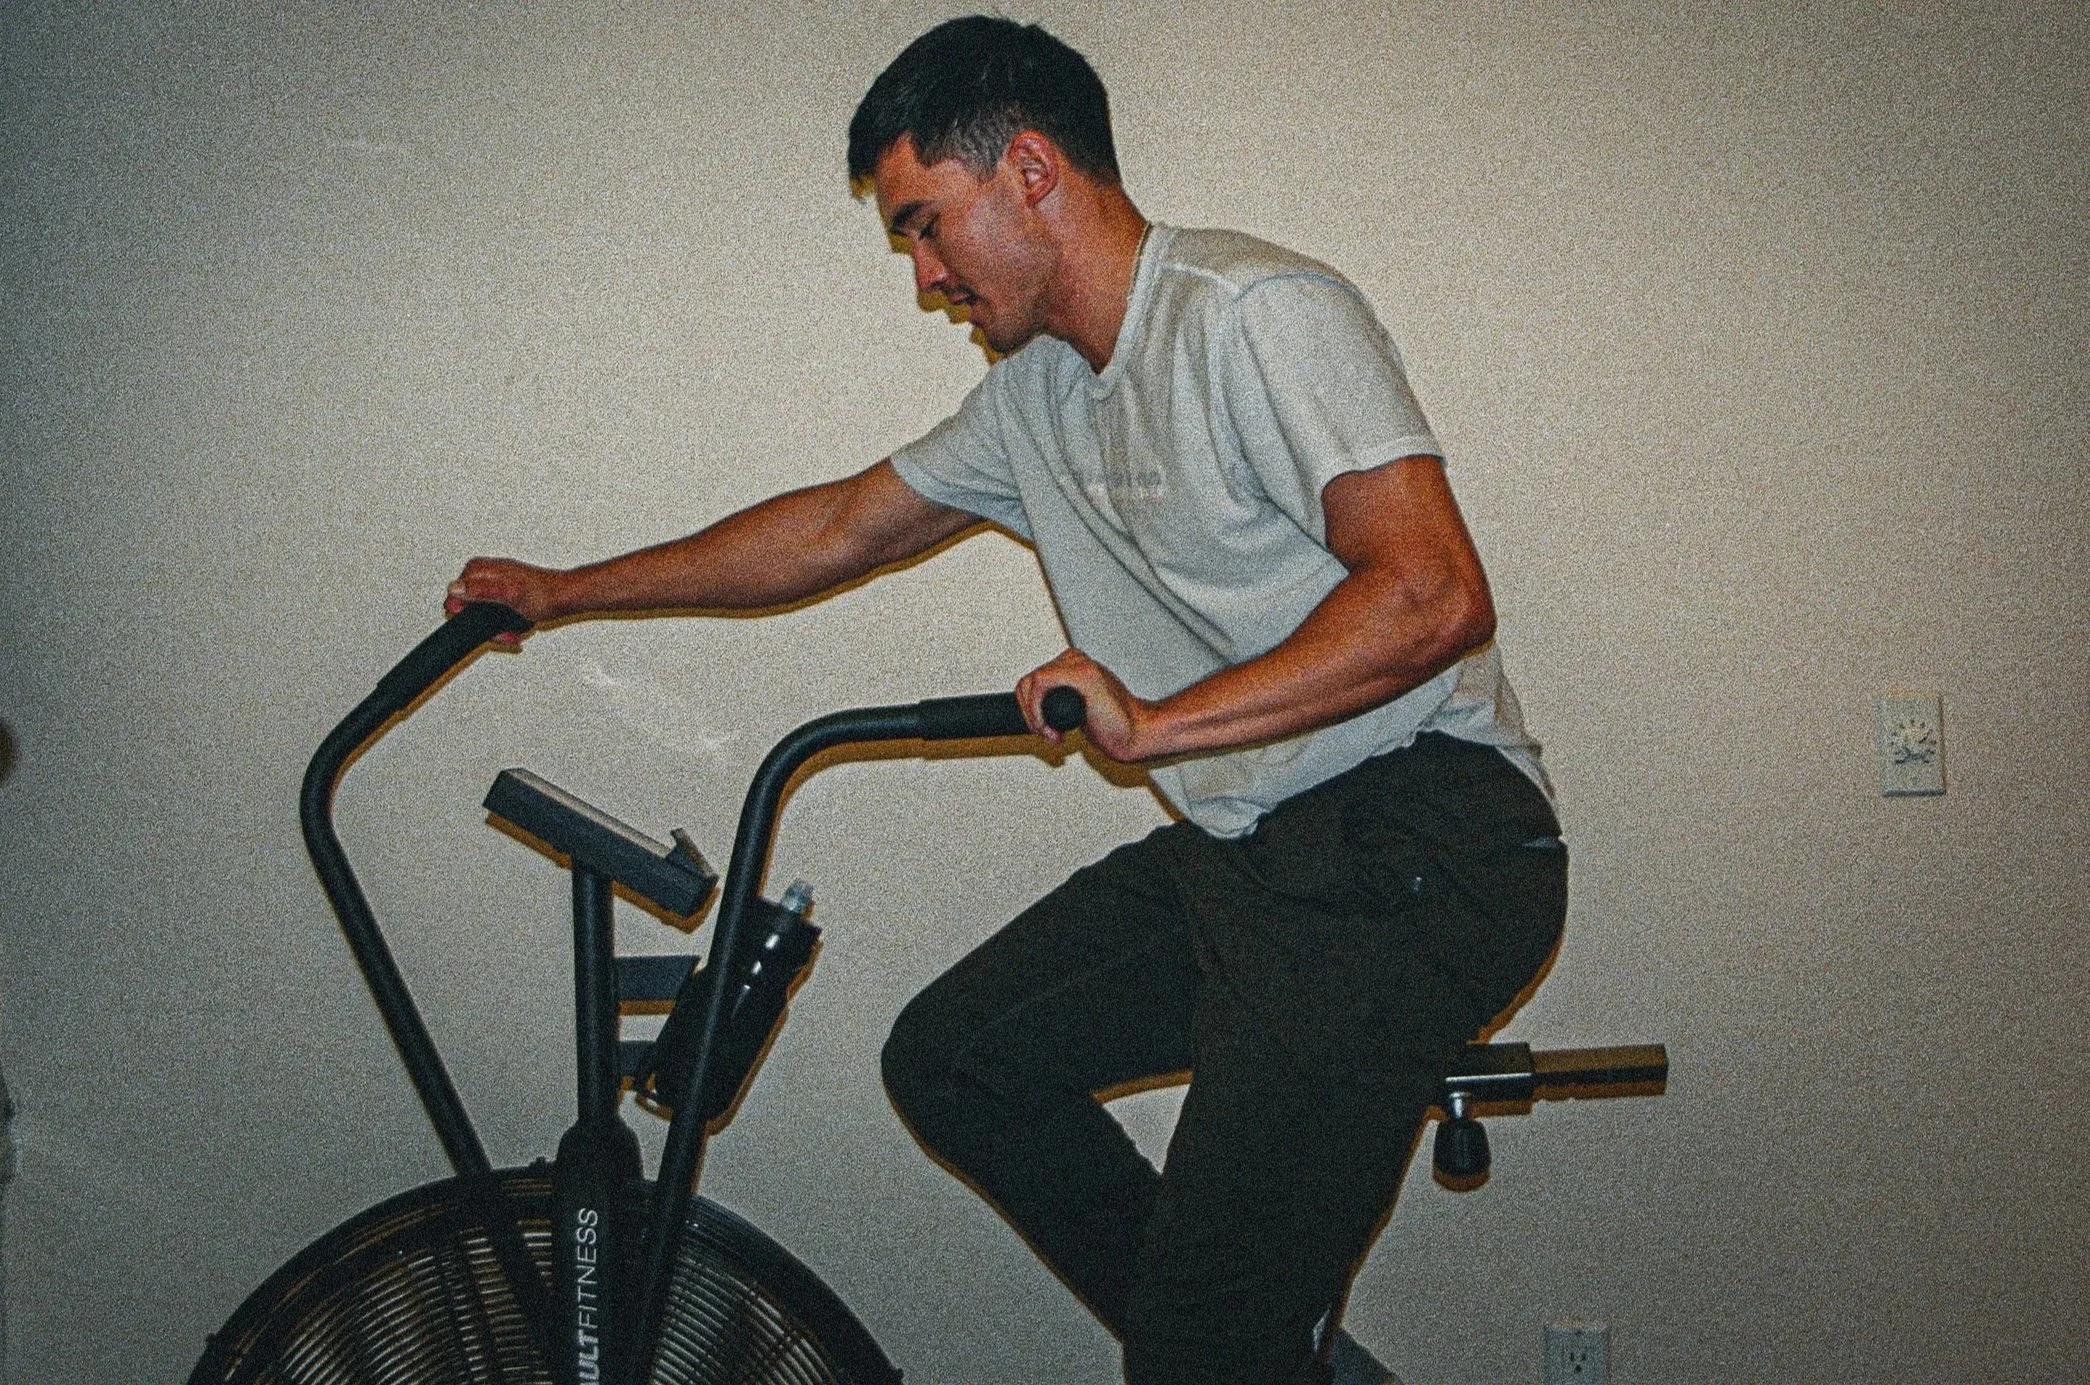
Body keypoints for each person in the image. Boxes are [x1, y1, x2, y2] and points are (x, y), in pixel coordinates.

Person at [447, 17, 1566, 1385]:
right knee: (958, 1062)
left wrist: (1156, 725)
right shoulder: (1033, 397)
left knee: (1198, 1350)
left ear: (1028, 169)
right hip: (1253, 857)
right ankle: (1251, 1349)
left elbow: (1430, 597)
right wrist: (564, 591)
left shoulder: (1252, 314)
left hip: (1423, 839)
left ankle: (1222, 1346)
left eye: (927, 226)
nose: (923, 277)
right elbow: (838, 530)